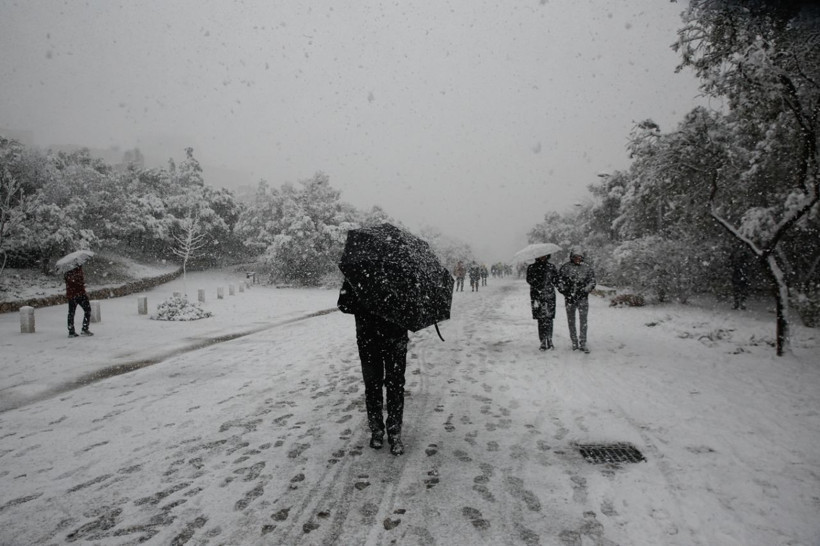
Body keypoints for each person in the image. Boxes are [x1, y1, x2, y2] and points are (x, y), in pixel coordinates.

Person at [338, 279, 409, 455]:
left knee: (395, 386)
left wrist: (394, 303)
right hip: (369, 340)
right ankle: (376, 430)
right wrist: (364, 303)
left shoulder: (402, 276)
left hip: (395, 339)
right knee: (373, 386)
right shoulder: (358, 275)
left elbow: (412, 308)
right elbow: (343, 304)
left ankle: (394, 432)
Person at [557, 249, 595, 352]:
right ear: (572, 257)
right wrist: (566, 292)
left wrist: (585, 290)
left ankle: (583, 342)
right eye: (575, 257)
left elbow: (592, 281)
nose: (578, 259)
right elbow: (559, 282)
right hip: (570, 299)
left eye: (580, 257)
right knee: (571, 321)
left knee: (583, 321)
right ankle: (574, 341)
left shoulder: (587, 268)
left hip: (582, 298)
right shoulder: (565, 268)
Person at [526, 254, 558, 351]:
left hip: (549, 295)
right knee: (541, 318)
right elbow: (529, 279)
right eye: (540, 255)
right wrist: (538, 283)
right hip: (537, 295)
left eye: (544, 255)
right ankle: (543, 340)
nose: (542, 257)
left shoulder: (551, 267)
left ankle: (549, 338)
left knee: (549, 317)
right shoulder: (531, 267)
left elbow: (556, 279)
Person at [64, 265, 93, 338]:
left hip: (71, 295)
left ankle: (71, 330)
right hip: (79, 294)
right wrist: (82, 282)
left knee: (71, 313)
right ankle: (84, 328)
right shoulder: (76, 270)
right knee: (87, 310)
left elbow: (69, 282)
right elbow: (78, 282)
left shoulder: (67, 271)